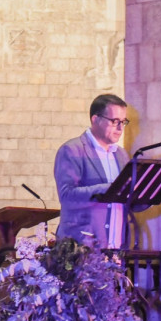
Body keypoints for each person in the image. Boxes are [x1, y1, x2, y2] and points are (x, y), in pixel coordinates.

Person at [53, 93, 131, 247]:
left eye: (123, 122)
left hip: (117, 246)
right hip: (81, 246)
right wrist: (109, 189)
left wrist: (147, 191)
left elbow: (127, 200)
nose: (120, 128)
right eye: (115, 121)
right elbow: (67, 197)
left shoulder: (121, 155)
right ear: (95, 119)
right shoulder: (72, 150)